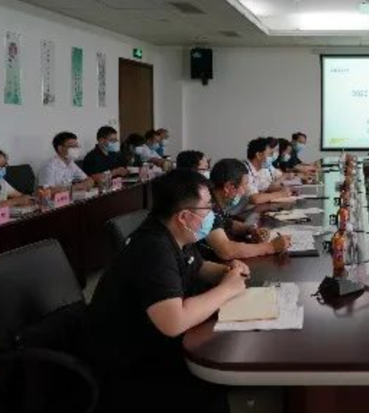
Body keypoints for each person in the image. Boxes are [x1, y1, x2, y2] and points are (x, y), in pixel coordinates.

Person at [88, 169, 247, 411]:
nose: (212, 213)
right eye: (207, 207)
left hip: (154, 341)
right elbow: (174, 321)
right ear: (184, 216)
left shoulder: (175, 233)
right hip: (132, 365)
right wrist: (226, 289)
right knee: (216, 373)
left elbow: (198, 267)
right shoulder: (153, 249)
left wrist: (227, 271)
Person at [205, 158, 290, 259]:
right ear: (228, 187)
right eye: (244, 185)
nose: (245, 191)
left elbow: (227, 223)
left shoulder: (215, 201)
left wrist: (251, 230)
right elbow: (226, 250)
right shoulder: (207, 207)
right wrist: (271, 247)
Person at [244, 138, 291, 205]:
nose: (272, 157)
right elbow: (255, 199)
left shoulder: (259, 169)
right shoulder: (245, 170)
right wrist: (280, 194)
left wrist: (285, 189)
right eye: (270, 154)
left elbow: (266, 188)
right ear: (259, 155)